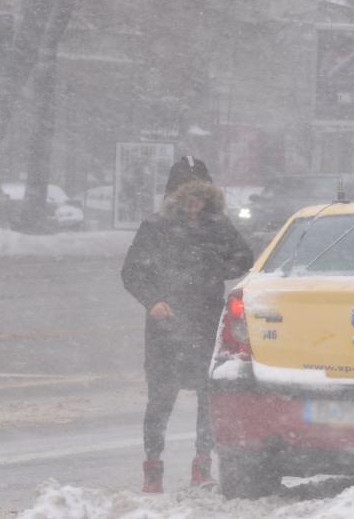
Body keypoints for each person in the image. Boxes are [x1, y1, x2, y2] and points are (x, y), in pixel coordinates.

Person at [121, 156, 254, 493]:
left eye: (202, 197)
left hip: (206, 323)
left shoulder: (219, 226)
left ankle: (202, 466)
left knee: (208, 398)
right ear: (175, 198)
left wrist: (216, 265)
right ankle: (153, 469)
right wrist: (153, 301)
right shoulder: (155, 227)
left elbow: (244, 259)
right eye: (189, 197)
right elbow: (132, 271)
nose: (196, 204)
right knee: (160, 400)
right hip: (166, 327)